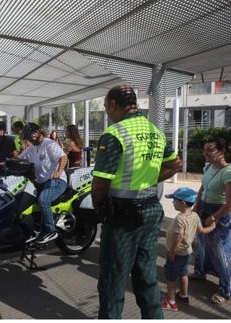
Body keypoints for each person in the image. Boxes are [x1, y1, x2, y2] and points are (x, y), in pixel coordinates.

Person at [91, 84, 183, 319]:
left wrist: (98, 208)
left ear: (113, 105)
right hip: (152, 210)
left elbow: (100, 184)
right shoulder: (155, 131)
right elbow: (175, 164)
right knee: (147, 276)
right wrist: (152, 179)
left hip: (123, 216)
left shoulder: (114, 134)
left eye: (105, 107)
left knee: (113, 279)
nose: (107, 113)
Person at [189, 137, 231, 305]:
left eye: (210, 150)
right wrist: (197, 206)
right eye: (204, 149)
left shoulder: (228, 172)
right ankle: (200, 272)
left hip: (218, 214)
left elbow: (230, 203)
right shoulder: (209, 167)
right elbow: (202, 188)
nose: (205, 153)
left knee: (221, 252)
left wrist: (214, 217)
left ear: (221, 151)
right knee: (201, 244)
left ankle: (225, 288)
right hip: (204, 209)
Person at [162, 187, 216, 311]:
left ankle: (171, 302)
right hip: (187, 253)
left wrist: (172, 252)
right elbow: (202, 231)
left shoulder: (180, 219)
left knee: (171, 277)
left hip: (177, 253)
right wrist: (212, 227)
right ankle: (183, 295)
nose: (172, 202)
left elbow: (178, 238)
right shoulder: (195, 215)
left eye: (174, 200)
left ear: (183, 203)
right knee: (183, 274)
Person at [18, 123, 67, 243]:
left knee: (43, 200)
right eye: (29, 137)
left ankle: (50, 230)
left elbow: (63, 157)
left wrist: (59, 171)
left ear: (38, 132)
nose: (30, 139)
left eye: (31, 136)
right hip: (39, 182)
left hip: (55, 181)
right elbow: (18, 159)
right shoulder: (31, 148)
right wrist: (1, 163)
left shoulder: (49, 144)